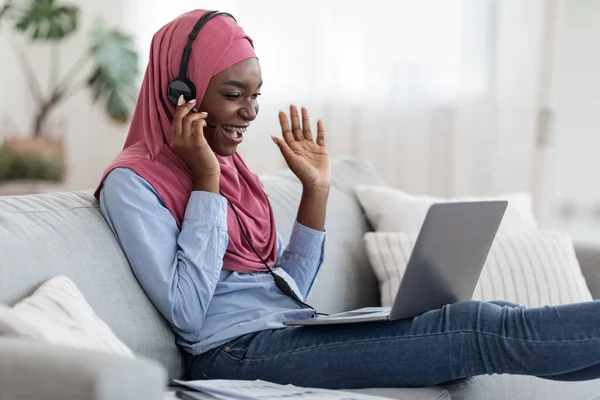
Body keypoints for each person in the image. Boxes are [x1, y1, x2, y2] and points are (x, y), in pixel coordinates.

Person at [96, 9, 600, 390]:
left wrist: (316, 190)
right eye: (233, 94)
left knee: (491, 309)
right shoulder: (134, 183)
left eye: (256, 95)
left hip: (284, 331)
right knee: (476, 327)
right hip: (231, 353)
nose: (249, 112)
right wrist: (204, 179)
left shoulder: (234, 174)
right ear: (178, 93)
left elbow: (285, 291)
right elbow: (187, 312)